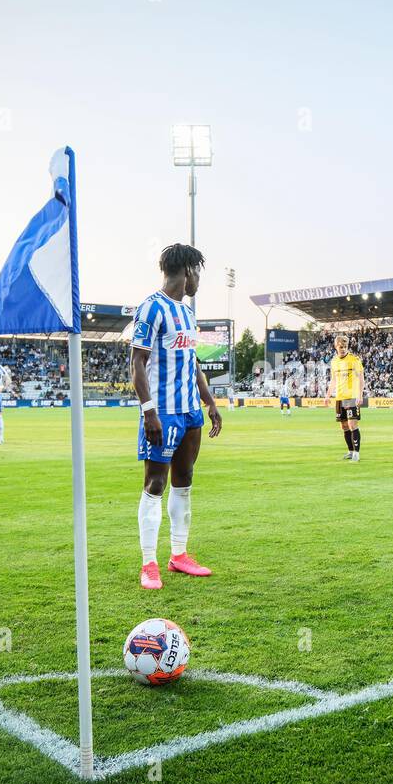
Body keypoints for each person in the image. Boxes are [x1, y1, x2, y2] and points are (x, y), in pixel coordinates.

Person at [131, 243, 223, 590]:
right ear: (187, 271)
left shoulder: (187, 314)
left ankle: (179, 555)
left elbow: (193, 363)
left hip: (190, 412)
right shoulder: (151, 308)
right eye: (198, 272)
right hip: (163, 413)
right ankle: (148, 562)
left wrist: (209, 402)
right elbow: (137, 362)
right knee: (156, 483)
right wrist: (148, 411)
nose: (199, 279)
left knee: (184, 480)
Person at [324, 334, 364, 460]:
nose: (343, 349)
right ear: (336, 347)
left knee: (352, 425)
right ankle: (350, 451)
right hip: (339, 398)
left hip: (351, 396)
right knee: (344, 426)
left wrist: (360, 394)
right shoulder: (334, 361)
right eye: (341, 347)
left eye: (345, 346)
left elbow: (361, 378)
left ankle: (357, 454)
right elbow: (333, 380)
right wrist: (328, 395)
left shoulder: (354, 359)